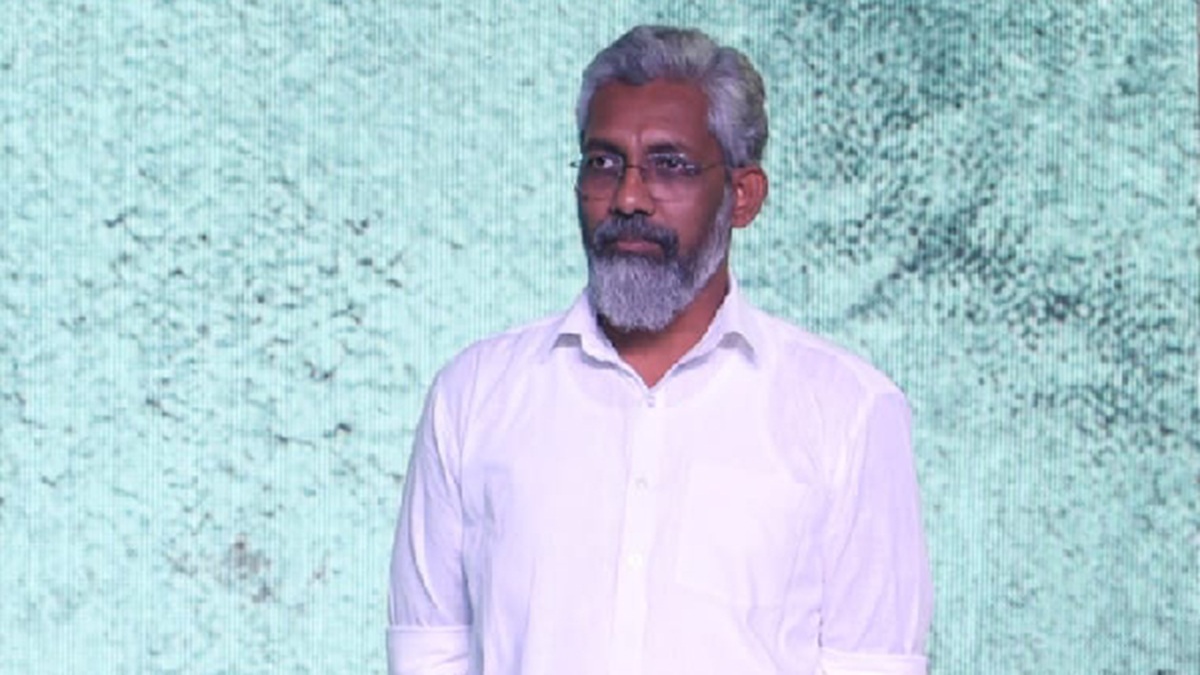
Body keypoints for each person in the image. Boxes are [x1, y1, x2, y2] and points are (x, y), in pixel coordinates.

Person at [388, 25, 932, 675]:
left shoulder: (847, 411)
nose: (629, 197)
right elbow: (427, 655)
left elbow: (875, 664)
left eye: (669, 165)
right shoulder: (474, 396)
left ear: (743, 196)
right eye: (603, 162)